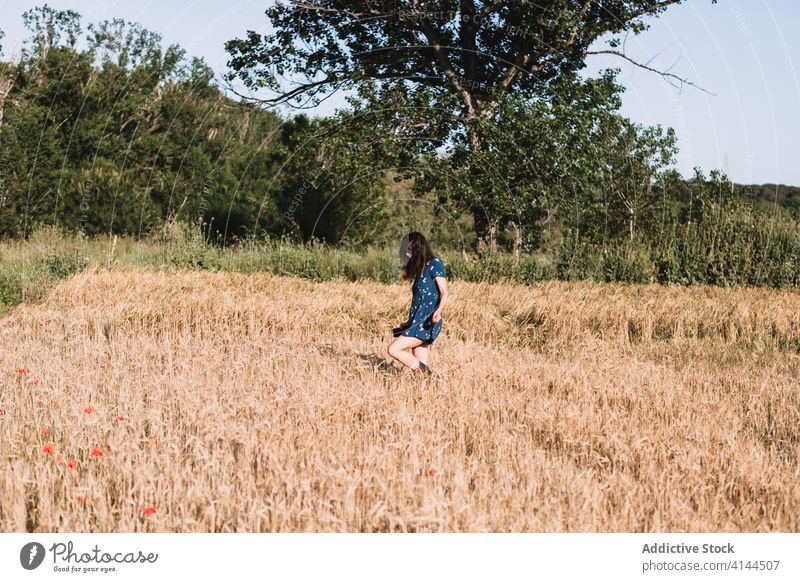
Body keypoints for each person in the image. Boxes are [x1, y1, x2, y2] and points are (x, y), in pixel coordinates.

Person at [387, 232, 448, 374]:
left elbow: (444, 292)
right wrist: (409, 322)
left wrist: (439, 311)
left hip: (428, 321)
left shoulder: (435, 263)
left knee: (393, 349)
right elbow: (418, 302)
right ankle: (429, 382)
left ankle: (428, 373)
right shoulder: (420, 270)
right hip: (417, 321)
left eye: (409, 250)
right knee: (419, 367)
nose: (407, 255)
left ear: (418, 248)